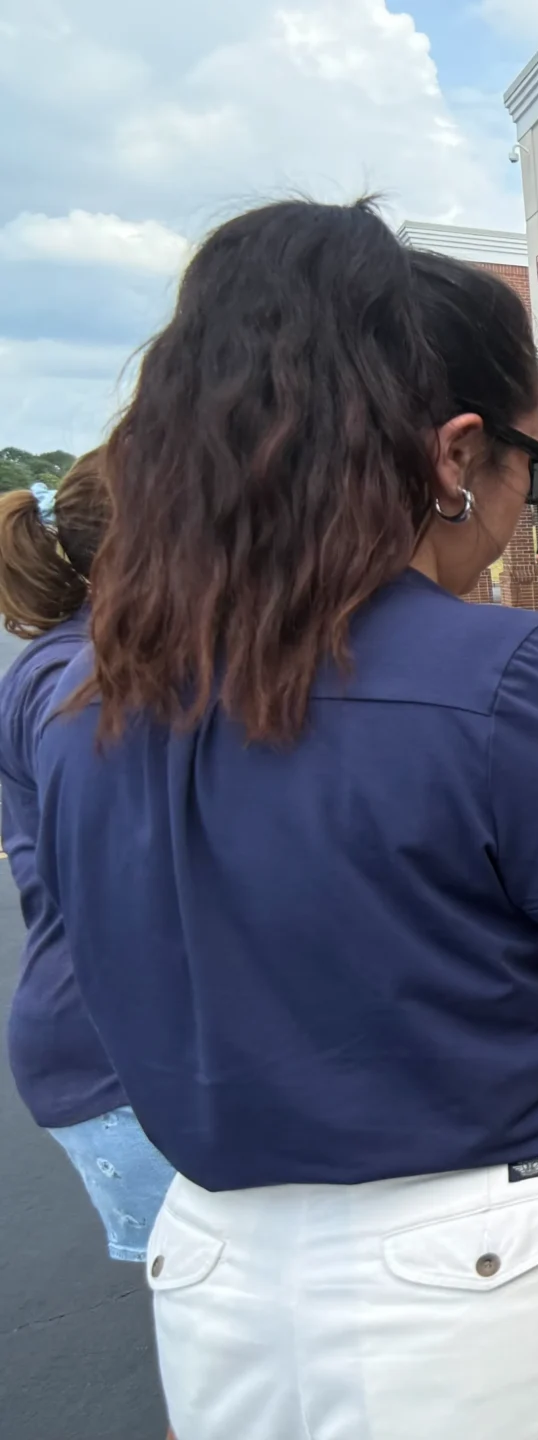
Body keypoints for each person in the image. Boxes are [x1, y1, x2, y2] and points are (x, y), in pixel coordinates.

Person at [36, 200, 538, 1437]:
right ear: (456, 456)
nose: (528, 500)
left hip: (218, 1277)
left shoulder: (87, 703)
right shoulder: (503, 677)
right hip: (515, 1270)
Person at [0, 452, 179, 1269]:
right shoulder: (86, 682)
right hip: (119, 1054)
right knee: (222, 1306)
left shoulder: (76, 660)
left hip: (103, 1038)